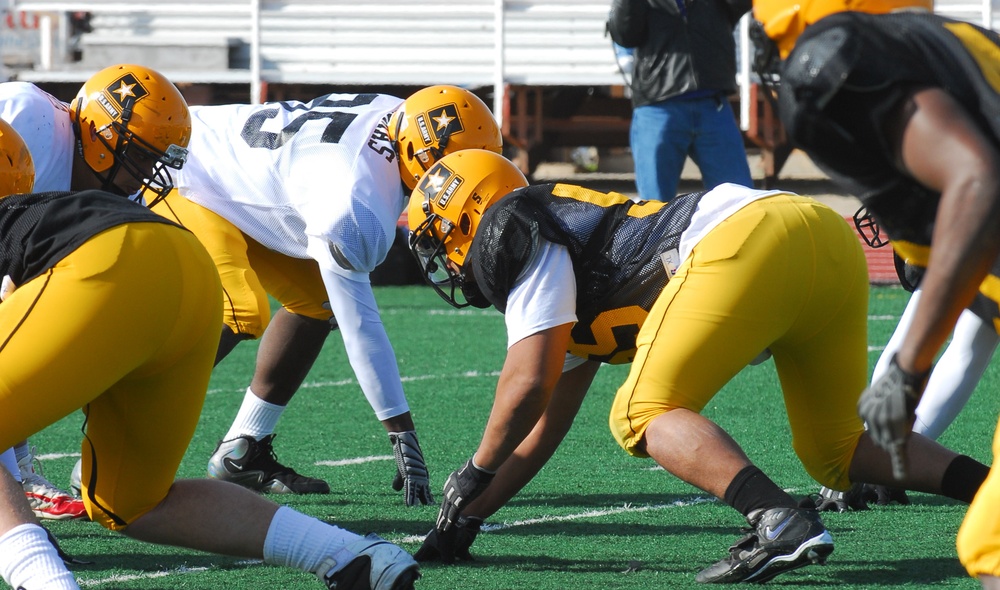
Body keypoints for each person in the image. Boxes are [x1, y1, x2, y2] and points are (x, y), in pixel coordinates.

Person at [405, 149, 990, 583]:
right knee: (836, 452)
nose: (444, 262)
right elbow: (537, 433)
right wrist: (466, 518)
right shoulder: (560, 281)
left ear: (468, 216)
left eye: (440, 239)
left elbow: (526, 384)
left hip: (746, 239)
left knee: (640, 412)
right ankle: (991, 491)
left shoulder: (516, 226)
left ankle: (777, 520)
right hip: (820, 238)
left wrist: (473, 472)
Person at [0, 118, 419, 590]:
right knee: (132, 501)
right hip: (191, 271)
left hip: (108, 262)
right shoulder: (45, 206)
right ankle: (347, 555)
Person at [147, 85, 502, 503]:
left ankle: (242, 451)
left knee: (316, 302)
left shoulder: (398, 115)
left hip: (237, 184)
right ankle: (122, 429)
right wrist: (401, 433)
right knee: (241, 309)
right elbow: (360, 328)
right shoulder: (355, 203)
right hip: (178, 168)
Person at [751, 0, 1000, 584]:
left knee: (991, 544)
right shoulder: (941, 37)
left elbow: (978, 180)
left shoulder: (832, 57)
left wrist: (908, 370)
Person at [0, 63, 192, 522]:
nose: (147, 174)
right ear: (107, 138)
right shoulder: (27, 118)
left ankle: (16, 474)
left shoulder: (112, 197)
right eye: (143, 157)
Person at [607, 0, 753, 202]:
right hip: (658, 107)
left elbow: (741, 4)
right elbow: (624, 34)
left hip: (713, 105)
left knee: (740, 202)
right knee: (654, 209)